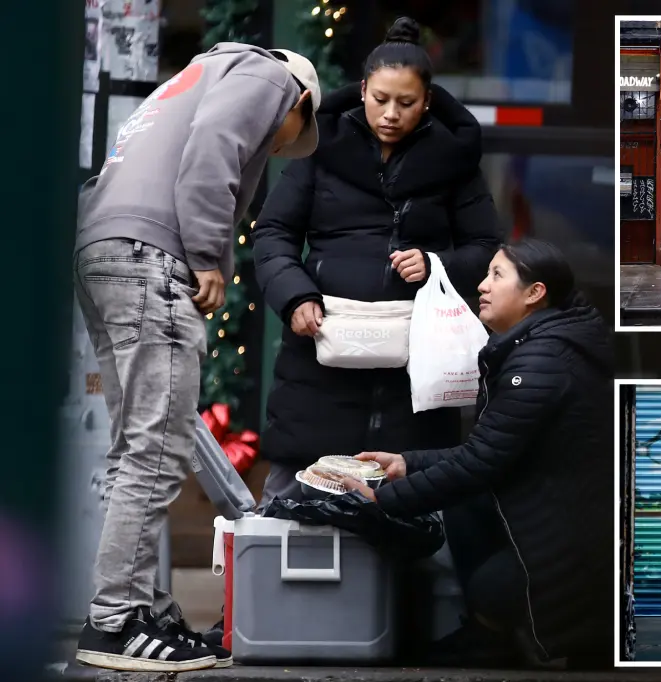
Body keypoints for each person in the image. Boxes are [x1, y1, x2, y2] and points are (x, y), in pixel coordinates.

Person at [72, 44, 321, 672]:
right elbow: (215, 144)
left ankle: (140, 610)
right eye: (290, 135)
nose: (277, 148)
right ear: (301, 102)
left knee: (137, 445)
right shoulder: (269, 76)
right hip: (152, 255)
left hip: (105, 246)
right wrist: (209, 254)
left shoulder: (192, 77)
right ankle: (118, 622)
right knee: (157, 446)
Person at [248, 17, 500, 503]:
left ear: (427, 102)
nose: (390, 114)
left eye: (406, 103)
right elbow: (274, 232)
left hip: (416, 362)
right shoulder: (319, 147)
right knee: (292, 499)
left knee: (412, 510)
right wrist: (294, 295)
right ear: (362, 89)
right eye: (380, 99)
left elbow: (487, 249)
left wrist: (435, 265)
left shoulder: (454, 162)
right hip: (319, 349)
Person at [339, 240, 614, 669]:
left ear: (534, 293)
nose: (482, 286)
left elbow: (481, 462)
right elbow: (487, 449)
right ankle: (492, 632)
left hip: (575, 543)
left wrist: (384, 501)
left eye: (497, 276)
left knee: (489, 583)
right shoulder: (547, 343)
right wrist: (406, 463)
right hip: (561, 516)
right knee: (467, 505)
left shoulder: (541, 361)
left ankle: (495, 629)